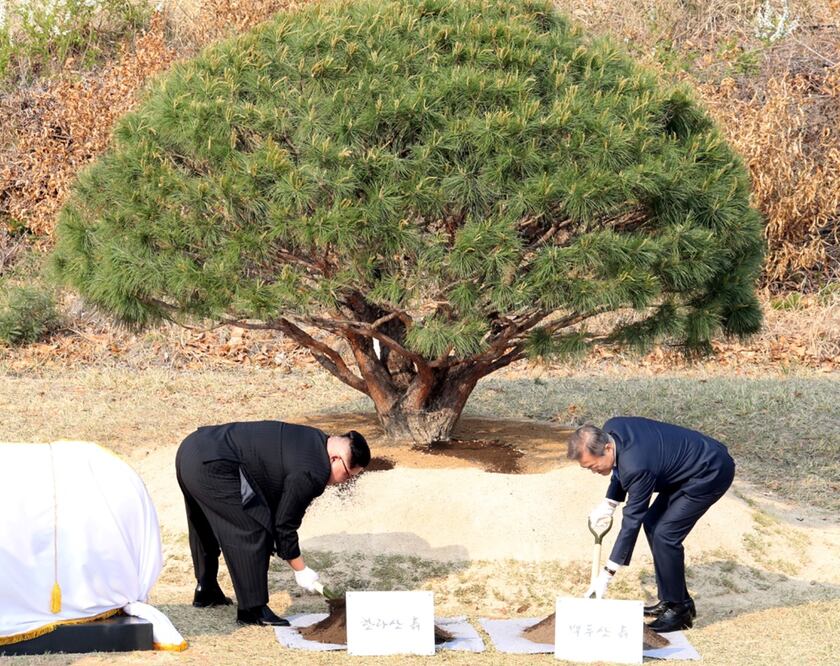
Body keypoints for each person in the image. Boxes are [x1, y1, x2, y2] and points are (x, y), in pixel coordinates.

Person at [175, 420, 370, 626]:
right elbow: (284, 525)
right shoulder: (313, 471)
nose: (344, 482)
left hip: (192, 448)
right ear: (335, 458)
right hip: (213, 465)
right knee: (252, 528)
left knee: (203, 522)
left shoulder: (316, 439)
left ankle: (206, 589)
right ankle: (252, 610)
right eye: (347, 475)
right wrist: (301, 569)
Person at [568, 417, 735, 632]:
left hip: (710, 471)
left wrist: (607, 574)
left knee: (665, 534)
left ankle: (678, 612)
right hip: (684, 468)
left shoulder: (637, 466)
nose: (593, 471)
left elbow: (631, 521)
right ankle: (676, 600)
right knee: (653, 523)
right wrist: (609, 503)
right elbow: (619, 467)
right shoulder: (612, 430)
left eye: (593, 466)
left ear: (607, 448)